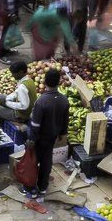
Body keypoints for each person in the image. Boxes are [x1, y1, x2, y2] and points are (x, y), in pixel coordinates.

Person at [24, 68, 69, 200]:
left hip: (38, 138)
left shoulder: (41, 101)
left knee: (32, 162)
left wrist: (31, 139)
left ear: (45, 81)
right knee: (46, 161)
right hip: (52, 137)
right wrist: (62, 133)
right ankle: (43, 187)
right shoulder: (64, 100)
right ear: (59, 82)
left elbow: (35, 124)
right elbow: (65, 120)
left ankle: (31, 189)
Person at [0, 60, 37, 124]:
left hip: (21, 116)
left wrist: (7, 103)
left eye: (14, 73)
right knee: (2, 97)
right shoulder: (29, 80)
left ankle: (0, 127)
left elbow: (24, 106)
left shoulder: (22, 86)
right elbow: (17, 93)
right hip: (29, 110)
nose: (12, 75)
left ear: (20, 72)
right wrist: (7, 98)